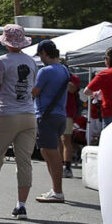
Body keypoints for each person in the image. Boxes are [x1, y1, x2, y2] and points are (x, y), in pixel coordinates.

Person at [0, 23, 37, 220]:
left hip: (6, 114)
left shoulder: (2, 61)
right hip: (29, 114)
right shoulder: (31, 62)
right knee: (24, 162)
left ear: (6, 42)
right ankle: (21, 206)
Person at [33, 40, 72, 203]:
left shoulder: (45, 71)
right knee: (46, 150)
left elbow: (34, 92)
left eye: (40, 55)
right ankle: (55, 189)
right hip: (60, 115)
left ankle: (58, 191)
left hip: (47, 115)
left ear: (44, 53)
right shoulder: (64, 69)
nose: (40, 58)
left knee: (51, 152)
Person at [85, 47, 112, 134]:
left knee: (109, 141)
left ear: (108, 59)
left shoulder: (104, 74)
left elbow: (87, 91)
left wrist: (95, 93)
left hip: (109, 112)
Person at [61, 70, 82, 177]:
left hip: (67, 113)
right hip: (54, 112)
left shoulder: (73, 77)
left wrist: (63, 77)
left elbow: (72, 89)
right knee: (56, 141)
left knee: (66, 140)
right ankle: (59, 164)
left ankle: (67, 167)